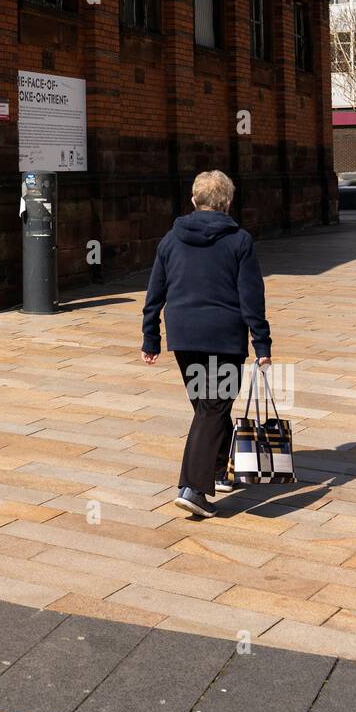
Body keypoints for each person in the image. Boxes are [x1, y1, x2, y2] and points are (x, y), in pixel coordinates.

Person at [141, 169, 272, 518]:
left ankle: (220, 470)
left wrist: (150, 336)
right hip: (224, 338)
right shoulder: (239, 240)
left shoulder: (170, 239)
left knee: (207, 405)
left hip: (184, 337)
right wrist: (262, 343)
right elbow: (251, 296)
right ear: (228, 203)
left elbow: (155, 292)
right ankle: (193, 488)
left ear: (193, 201)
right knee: (213, 407)